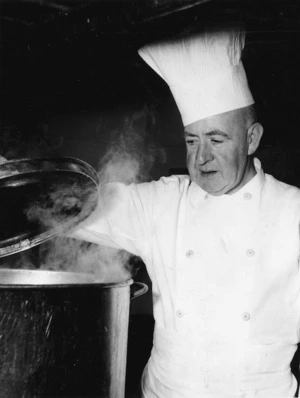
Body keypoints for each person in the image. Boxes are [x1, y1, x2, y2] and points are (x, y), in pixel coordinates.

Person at [71, 25, 300, 397]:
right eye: (192, 140)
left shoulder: (293, 213)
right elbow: (73, 204)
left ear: (252, 138)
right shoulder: (163, 203)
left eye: (217, 138)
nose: (201, 157)